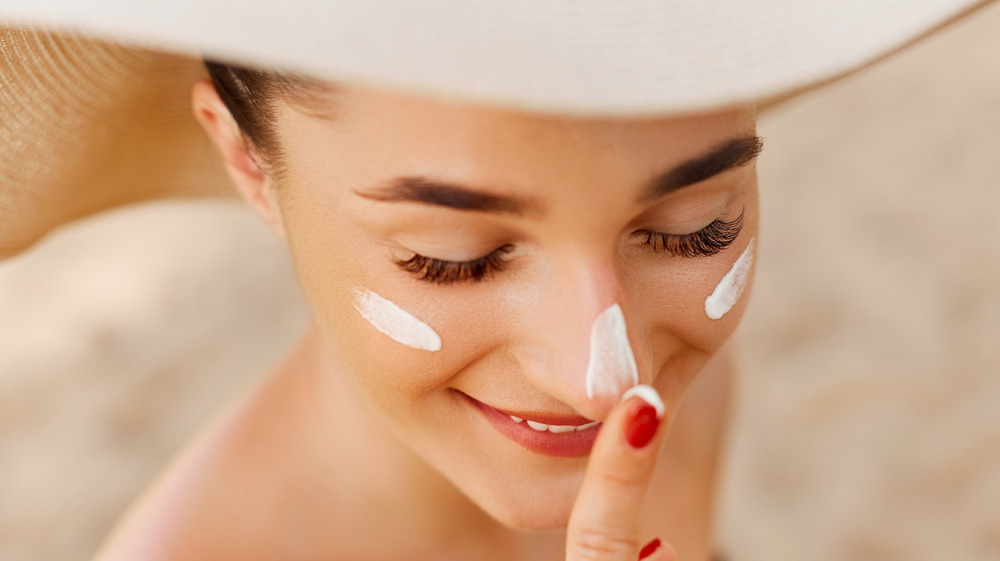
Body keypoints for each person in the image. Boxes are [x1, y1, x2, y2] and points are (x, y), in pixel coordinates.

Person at [0, 2, 991, 560]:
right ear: (249, 161)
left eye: (695, 231)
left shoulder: (670, 392)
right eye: (454, 256)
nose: (602, 378)